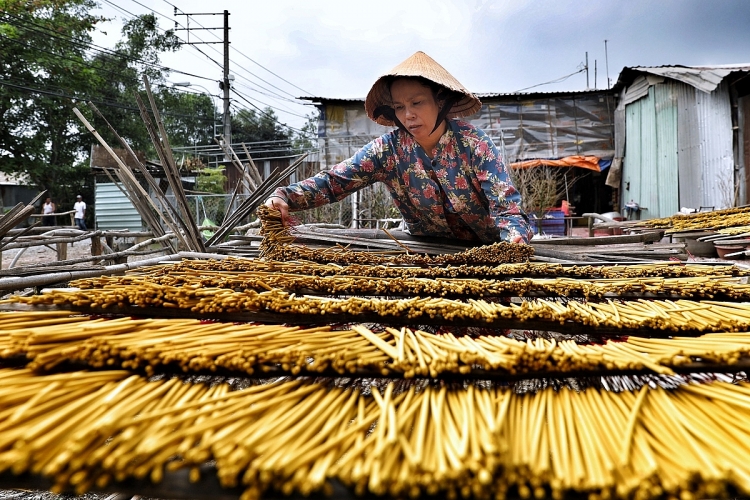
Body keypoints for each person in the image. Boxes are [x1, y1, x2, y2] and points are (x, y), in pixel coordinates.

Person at [265, 51, 532, 244]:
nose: (408, 116)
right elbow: (335, 181)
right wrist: (285, 197)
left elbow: (505, 206)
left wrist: (514, 241)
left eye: (417, 103)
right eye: (399, 107)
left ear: (440, 102)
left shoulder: (474, 144)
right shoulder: (387, 152)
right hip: (426, 254)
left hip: (486, 251)